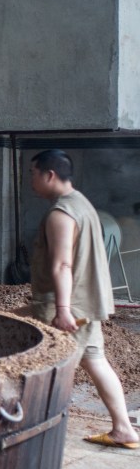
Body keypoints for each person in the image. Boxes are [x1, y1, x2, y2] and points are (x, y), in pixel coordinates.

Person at [24, 149, 138, 449]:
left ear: (49, 175)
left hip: (67, 307)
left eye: (33, 174)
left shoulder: (61, 213)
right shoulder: (83, 204)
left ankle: (36, 434)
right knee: (95, 360)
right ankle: (124, 428)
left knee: (45, 367)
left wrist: (62, 310)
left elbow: (62, 265)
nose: (30, 180)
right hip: (87, 303)